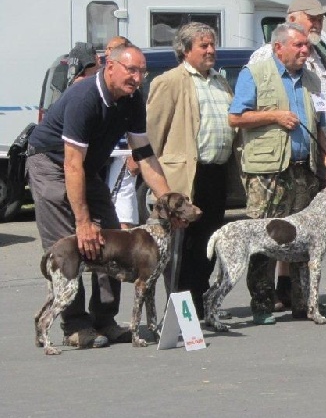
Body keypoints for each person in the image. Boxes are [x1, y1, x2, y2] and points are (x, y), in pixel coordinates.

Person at [27, 43, 174, 349]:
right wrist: (82, 222)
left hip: (86, 167)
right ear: (110, 67)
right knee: (73, 242)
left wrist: (168, 201)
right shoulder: (85, 98)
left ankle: (105, 319)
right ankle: (76, 325)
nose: (137, 78)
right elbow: (71, 163)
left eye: (141, 72)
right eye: (130, 70)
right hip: (51, 164)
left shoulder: (133, 100)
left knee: (112, 238)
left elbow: (144, 154)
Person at [228, 22, 326, 325]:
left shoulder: (312, 79)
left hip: (304, 170)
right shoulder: (256, 73)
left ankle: (305, 303)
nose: (306, 51)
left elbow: (318, 125)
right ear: (279, 47)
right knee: (264, 241)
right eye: (299, 46)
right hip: (268, 173)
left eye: (308, 46)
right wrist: (274, 115)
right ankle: (262, 304)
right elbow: (235, 117)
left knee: (306, 242)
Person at [146, 22, 236, 317]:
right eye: (204, 46)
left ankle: (198, 304)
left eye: (212, 45)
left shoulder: (221, 82)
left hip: (216, 173)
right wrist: (151, 172)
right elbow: (153, 133)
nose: (211, 51)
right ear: (185, 50)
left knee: (208, 242)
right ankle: (179, 309)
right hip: (185, 177)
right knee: (182, 246)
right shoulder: (171, 81)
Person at [102, 36, 140, 229]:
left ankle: (124, 243)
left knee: (121, 202)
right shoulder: (101, 81)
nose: (107, 52)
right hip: (102, 156)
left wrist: (135, 155)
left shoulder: (132, 91)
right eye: (107, 49)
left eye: (112, 48)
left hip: (122, 154)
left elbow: (138, 128)